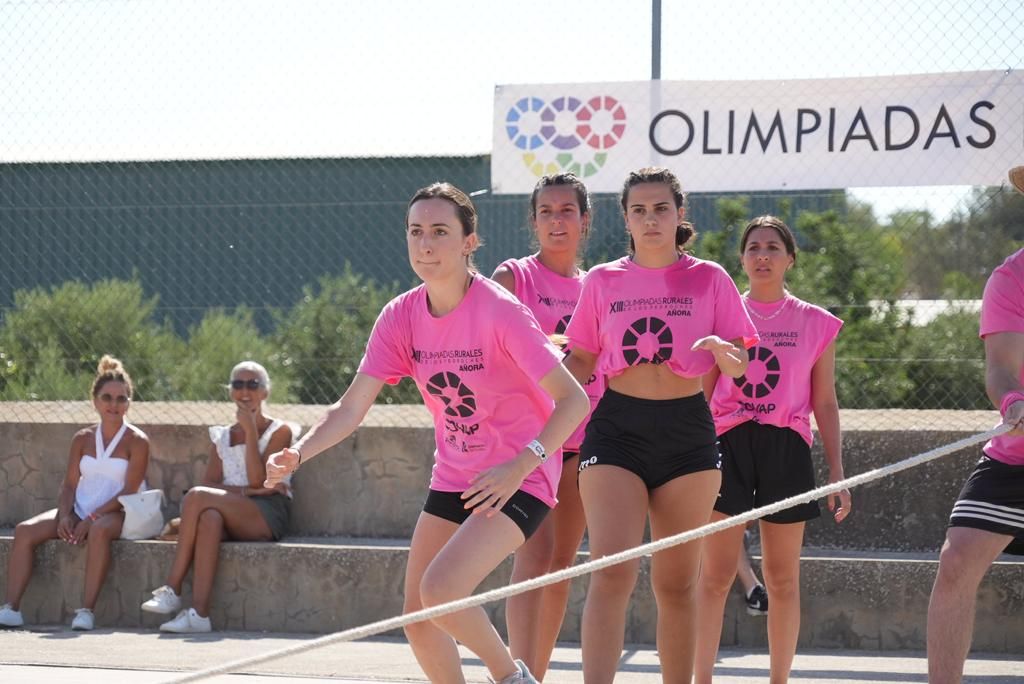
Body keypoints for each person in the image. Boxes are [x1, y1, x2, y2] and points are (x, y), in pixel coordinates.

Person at [264, 183, 589, 684]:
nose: (426, 244)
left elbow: (574, 399)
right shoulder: (400, 316)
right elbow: (350, 408)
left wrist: (520, 464)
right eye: (416, 232)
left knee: (441, 592)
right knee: (418, 616)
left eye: (440, 232)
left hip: (519, 477)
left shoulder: (500, 310)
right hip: (456, 475)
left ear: (469, 241)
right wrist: (299, 454)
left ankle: (512, 678)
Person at [562, 167, 757, 682]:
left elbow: (740, 363)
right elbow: (580, 359)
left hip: (688, 433)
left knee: (676, 584)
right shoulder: (602, 280)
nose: (651, 219)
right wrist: (539, 389)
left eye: (661, 209)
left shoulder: (710, 278)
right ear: (626, 218)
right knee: (611, 573)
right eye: (640, 210)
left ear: (679, 215)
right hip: (615, 429)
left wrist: (723, 353)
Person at [693, 215, 850, 684]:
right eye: (753, 247)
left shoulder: (815, 322)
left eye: (773, 248)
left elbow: (824, 400)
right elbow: (702, 396)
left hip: (787, 448)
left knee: (782, 579)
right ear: (741, 259)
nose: (763, 255)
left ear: (790, 259)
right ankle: (701, 677)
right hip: (728, 446)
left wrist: (837, 472)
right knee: (716, 576)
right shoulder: (722, 315)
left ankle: (779, 679)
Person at [491, 172, 604, 680]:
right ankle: (520, 673)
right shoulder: (513, 277)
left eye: (567, 211)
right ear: (533, 221)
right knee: (532, 560)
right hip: (531, 441)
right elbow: (487, 352)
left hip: (584, 436)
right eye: (546, 212)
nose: (557, 221)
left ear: (585, 220)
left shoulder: (597, 286)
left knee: (560, 564)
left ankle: (535, 672)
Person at [927, 169, 1024, 683]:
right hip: (1016, 454)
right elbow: (1001, 368)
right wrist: (1012, 401)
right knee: (956, 561)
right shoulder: (1011, 278)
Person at [140, 361, 296, 633]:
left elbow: (261, 480)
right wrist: (249, 491)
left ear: (265, 392)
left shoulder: (280, 431)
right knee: (209, 517)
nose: (245, 391)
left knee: (197, 497)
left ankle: (173, 586)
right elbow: (211, 482)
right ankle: (199, 615)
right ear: (230, 391)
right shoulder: (221, 436)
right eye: (238, 384)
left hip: (266, 514)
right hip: (232, 512)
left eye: (252, 384)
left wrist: (249, 432)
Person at [0, 355, 150, 631]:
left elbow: (130, 491)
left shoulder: (137, 441)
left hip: (120, 510)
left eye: (121, 399)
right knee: (23, 530)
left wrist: (91, 518)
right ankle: (11, 608)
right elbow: (70, 484)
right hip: (81, 508)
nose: (114, 405)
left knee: (100, 530)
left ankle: (86, 611)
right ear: (95, 401)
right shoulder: (82, 438)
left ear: (129, 402)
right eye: (107, 398)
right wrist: (66, 515)